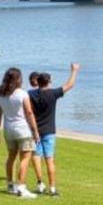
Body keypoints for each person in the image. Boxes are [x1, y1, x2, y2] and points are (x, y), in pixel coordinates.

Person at [28, 63, 79, 196]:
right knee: (49, 160)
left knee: (36, 157)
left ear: (37, 82)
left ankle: (40, 183)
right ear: (49, 82)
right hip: (49, 131)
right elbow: (69, 85)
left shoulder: (31, 94)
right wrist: (74, 70)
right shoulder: (53, 94)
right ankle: (52, 188)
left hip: (35, 131)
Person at [0, 67, 40, 199]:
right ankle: (21, 187)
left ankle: (10, 185)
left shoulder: (1, 92)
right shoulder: (22, 93)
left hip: (8, 129)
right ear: (18, 79)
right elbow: (29, 113)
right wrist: (35, 131)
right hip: (23, 130)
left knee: (11, 157)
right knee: (25, 158)